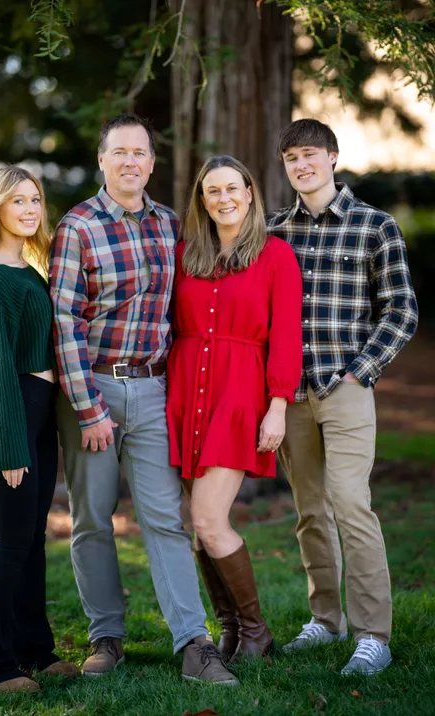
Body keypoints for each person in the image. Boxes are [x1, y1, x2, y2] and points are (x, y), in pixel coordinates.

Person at [49, 114, 237, 685]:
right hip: (94, 389)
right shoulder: (76, 227)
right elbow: (64, 323)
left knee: (166, 520)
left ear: (152, 163)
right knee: (92, 521)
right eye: (119, 152)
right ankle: (106, 637)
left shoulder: (171, 225)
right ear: (102, 161)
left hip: (154, 388)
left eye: (141, 153)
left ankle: (194, 643)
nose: (131, 161)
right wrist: (88, 409)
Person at [267, 118, 418, 676]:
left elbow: (401, 309)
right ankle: (326, 620)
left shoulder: (373, 226)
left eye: (309, 154)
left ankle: (373, 634)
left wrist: (362, 371)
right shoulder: (273, 230)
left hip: (348, 386)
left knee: (351, 505)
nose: (300, 165)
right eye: (290, 158)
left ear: (332, 157)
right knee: (310, 511)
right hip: (291, 394)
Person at [166, 155, 303, 663]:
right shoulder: (187, 254)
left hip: (239, 397)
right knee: (198, 523)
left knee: (207, 516)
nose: (223, 199)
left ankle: (255, 630)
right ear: (202, 201)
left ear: (250, 193)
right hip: (184, 395)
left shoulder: (275, 256)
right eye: (212, 191)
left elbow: (287, 337)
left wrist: (278, 406)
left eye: (232, 189)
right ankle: (230, 631)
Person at [0, 166, 79, 692]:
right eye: (18, 202)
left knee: (32, 539)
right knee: (12, 543)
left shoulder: (27, 268)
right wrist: (12, 446)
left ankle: (34, 649)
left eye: (35, 200)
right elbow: (0, 375)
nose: (31, 210)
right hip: (13, 414)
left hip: (38, 410)